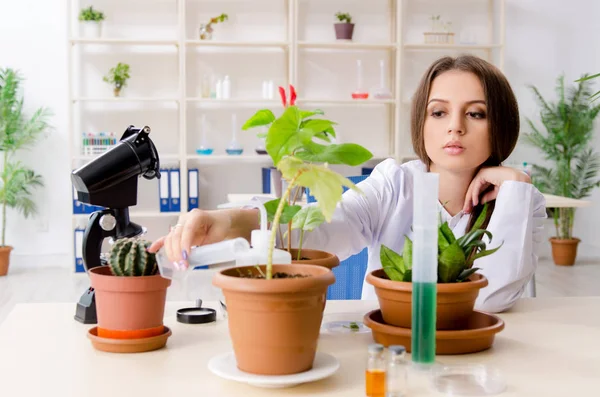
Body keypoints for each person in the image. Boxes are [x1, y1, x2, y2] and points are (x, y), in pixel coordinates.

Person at [148, 55, 546, 313]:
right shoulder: (395, 183)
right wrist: (230, 222)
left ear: (501, 126)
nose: (455, 126)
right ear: (421, 124)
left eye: (475, 114)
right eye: (438, 112)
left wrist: (514, 184)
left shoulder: (521, 199)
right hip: (387, 355)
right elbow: (324, 228)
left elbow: (492, 297)